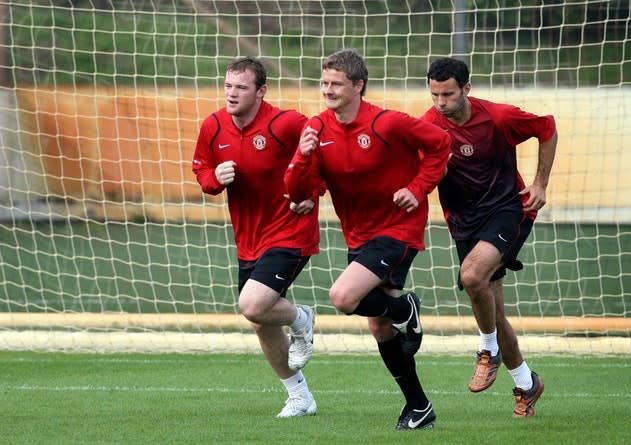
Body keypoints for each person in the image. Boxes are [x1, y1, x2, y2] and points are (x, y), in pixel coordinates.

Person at [285, 49, 451, 430]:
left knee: (344, 298)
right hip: (358, 234)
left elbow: (440, 144)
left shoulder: (387, 123)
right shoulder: (317, 128)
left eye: (336, 84)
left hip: (398, 229)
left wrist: (417, 187)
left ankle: (406, 309)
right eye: (324, 82)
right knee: (379, 326)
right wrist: (301, 156)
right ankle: (419, 407)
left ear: (358, 85)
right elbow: (299, 192)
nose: (327, 90)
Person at [421, 57, 558, 418]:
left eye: (448, 94)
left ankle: (487, 350)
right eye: (434, 94)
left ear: (466, 89)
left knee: (471, 277)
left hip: (508, 211)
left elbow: (547, 127)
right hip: (464, 224)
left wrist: (540, 182)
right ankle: (527, 385)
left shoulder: (498, 117)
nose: (440, 103)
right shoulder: (428, 125)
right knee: (493, 310)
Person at [192, 56, 323, 418]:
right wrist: (215, 177)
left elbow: (323, 153)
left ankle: (301, 318)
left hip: (290, 230)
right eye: (228, 86)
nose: (232, 94)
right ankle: (299, 396)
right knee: (259, 319)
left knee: (252, 304)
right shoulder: (213, 126)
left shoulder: (287, 123)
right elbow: (201, 170)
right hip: (248, 237)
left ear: (261, 91)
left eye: (241, 87)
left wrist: (313, 192)